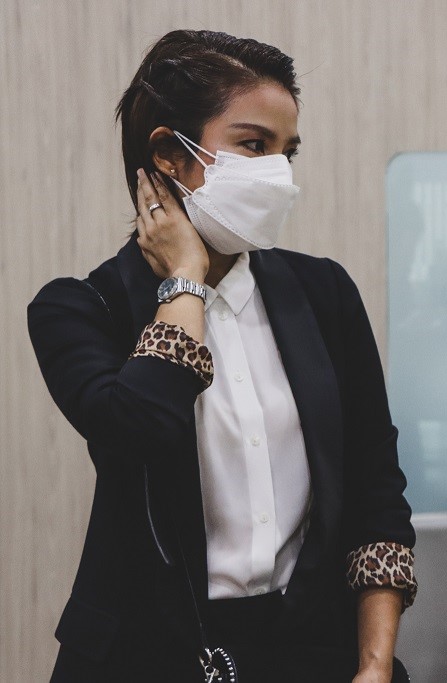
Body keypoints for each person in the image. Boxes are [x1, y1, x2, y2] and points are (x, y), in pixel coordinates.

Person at [28, 30, 415, 683]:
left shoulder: (325, 294)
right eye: (254, 145)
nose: (278, 174)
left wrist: (374, 665)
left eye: (288, 151)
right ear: (168, 155)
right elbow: (140, 425)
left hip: (311, 653)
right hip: (147, 657)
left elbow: (375, 486)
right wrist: (185, 280)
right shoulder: (80, 308)